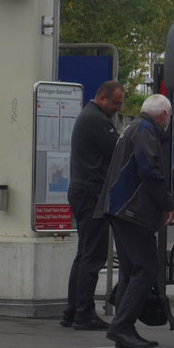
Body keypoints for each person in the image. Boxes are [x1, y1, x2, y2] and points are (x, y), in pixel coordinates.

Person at [96, 93, 174, 348]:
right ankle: (121, 327)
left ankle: (124, 327)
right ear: (163, 114)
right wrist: (167, 203)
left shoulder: (133, 128)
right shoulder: (145, 130)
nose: (169, 121)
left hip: (121, 209)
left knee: (132, 270)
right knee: (146, 268)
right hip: (132, 211)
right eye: (169, 116)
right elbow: (149, 169)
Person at [61, 80, 125, 330]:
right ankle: (84, 313)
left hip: (82, 192)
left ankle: (72, 310)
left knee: (84, 253)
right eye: (115, 103)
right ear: (102, 98)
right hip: (92, 194)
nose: (118, 109)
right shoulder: (96, 120)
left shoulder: (90, 116)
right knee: (94, 254)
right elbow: (118, 150)